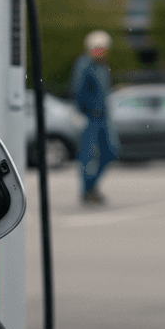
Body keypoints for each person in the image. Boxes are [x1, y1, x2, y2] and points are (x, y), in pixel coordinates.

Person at [69, 30, 118, 204]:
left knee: (111, 151)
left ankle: (92, 185)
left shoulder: (103, 67)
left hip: (103, 117)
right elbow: (78, 90)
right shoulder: (85, 65)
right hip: (89, 117)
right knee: (87, 156)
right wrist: (84, 111)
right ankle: (87, 190)